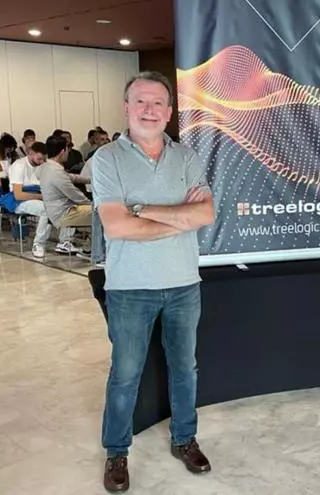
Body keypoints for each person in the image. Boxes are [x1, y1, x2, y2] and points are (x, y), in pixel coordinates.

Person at [91, 71, 216, 492]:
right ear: (126, 108)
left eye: (158, 102)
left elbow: (205, 214)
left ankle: (185, 439)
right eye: (141, 101)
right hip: (129, 288)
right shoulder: (107, 158)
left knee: (185, 368)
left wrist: (142, 209)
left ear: (169, 110)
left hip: (184, 284)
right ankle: (116, 451)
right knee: (125, 374)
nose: (149, 110)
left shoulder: (187, 157)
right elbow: (117, 227)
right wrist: (180, 218)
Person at [37, 135, 90, 255]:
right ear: (63, 151)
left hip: (56, 210)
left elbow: (70, 177)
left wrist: (91, 179)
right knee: (103, 212)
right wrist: (94, 204)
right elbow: (76, 196)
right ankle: (95, 251)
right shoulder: (56, 172)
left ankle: (90, 247)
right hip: (64, 213)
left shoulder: (47, 166)